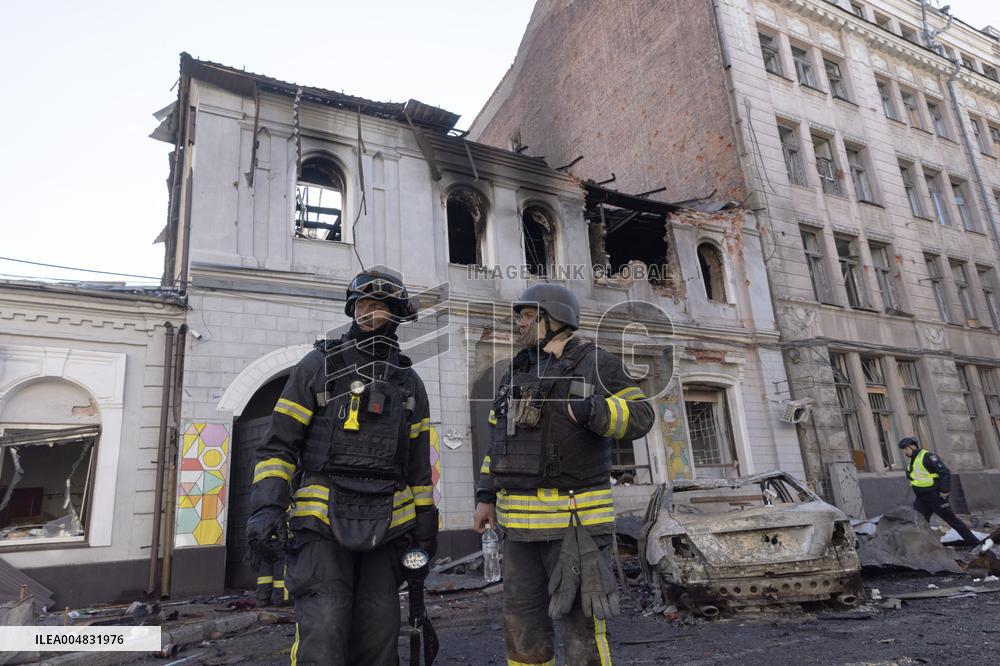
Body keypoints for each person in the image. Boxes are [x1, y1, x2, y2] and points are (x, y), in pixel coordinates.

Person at [246, 268, 438, 665]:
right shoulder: (318, 365)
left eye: (379, 305)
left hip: (387, 528)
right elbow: (278, 446)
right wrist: (267, 508)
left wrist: (425, 525)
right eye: (363, 304)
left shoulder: (409, 383)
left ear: (397, 314)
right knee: (325, 632)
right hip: (321, 526)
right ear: (352, 310)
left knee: (380, 635)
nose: (369, 312)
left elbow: (419, 467)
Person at [473, 284, 654, 666]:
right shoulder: (515, 372)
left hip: (576, 527)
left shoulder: (596, 363)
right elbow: (496, 443)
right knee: (521, 625)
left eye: (526, 316)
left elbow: (641, 416)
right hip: (517, 530)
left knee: (582, 625)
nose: (519, 324)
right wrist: (485, 497)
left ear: (551, 318)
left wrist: (594, 411)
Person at [899, 437, 980, 547]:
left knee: (952, 521)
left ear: (912, 446)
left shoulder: (927, 457)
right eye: (902, 449)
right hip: (922, 499)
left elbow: (944, 473)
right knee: (919, 522)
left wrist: (944, 490)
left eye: (905, 449)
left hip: (935, 496)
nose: (904, 451)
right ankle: (925, 547)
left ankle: (977, 544)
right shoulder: (912, 461)